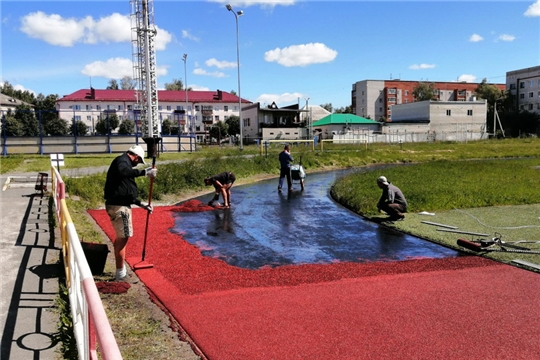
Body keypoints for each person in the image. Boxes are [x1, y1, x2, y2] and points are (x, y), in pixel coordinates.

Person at [104, 145, 157, 281]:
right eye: (138, 162)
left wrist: (142, 204)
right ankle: (120, 274)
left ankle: (120, 269)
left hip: (119, 204)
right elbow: (123, 172)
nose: (137, 165)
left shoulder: (125, 167)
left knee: (121, 237)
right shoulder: (122, 162)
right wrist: (144, 172)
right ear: (136, 157)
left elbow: (126, 192)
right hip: (119, 207)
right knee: (123, 237)